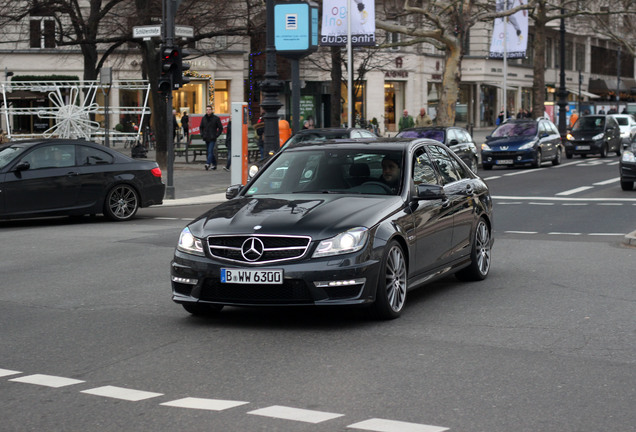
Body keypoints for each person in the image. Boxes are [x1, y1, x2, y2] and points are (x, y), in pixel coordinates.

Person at [200, 105, 224, 170]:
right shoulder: (204, 118)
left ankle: (208, 163)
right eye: (207, 110)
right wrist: (202, 134)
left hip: (212, 137)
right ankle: (214, 164)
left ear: (211, 110)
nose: (208, 111)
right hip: (206, 137)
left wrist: (216, 135)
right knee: (209, 151)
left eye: (209, 110)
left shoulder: (216, 118)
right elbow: (201, 127)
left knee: (210, 151)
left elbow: (220, 128)